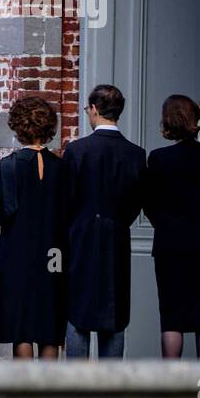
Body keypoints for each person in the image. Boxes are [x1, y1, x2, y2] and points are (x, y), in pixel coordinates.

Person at [62, 84, 146, 360]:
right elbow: (137, 201)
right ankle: (112, 389)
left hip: (80, 238)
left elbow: (67, 198)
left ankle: (77, 390)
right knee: (115, 314)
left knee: (77, 314)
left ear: (95, 110)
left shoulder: (77, 150)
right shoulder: (135, 153)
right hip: (116, 238)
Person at [0, 97, 66, 359]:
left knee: (22, 329)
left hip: (16, 254)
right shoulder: (62, 167)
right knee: (50, 329)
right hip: (55, 255)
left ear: (17, 127)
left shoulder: (9, 166)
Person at [145, 95, 200, 359]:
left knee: (171, 318)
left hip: (169, 245)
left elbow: (148, 203)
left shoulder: (159, 158)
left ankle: (172, 389)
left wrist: (165, 224)